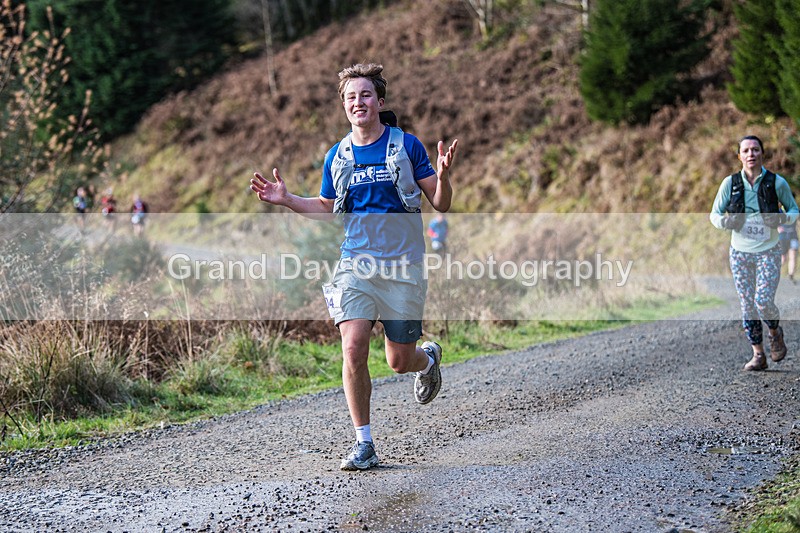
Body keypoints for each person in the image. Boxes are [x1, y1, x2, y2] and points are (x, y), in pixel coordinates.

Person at [250, 63, 458, 470]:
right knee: (353, 345)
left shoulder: (407, 146)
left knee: (398, 361)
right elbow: (328, 208)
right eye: (350, 97)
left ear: (379, 102)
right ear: (344, 106)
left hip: (403, 267)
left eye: (365, 95)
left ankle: (427, 360)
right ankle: (364, 444)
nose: (358, 102)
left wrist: (445, 176)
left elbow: (442, 203)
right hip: (355, 265)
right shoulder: (338, 156)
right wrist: (289, 199)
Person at [710, 135, 798, 371]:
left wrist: (781, 218)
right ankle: (758, 355)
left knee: (763, 301)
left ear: (762, 153)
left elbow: (794, 210)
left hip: (769, 251)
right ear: (739, 156)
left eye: (755, 150)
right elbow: (714, 214)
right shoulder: (729, 184)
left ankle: (774, 332)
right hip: (739, 253)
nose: (751, 154)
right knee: (747, 305)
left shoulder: (776, 182)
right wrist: (725, 223)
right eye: (746, 150)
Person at [778, 217, 798, 283]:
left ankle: (791, 274)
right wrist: (777, 227)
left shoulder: (796, 210)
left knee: (793, 255)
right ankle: (776, 272)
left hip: (793, 235)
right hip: (783, 236)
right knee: (783, 257)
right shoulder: (780, 210)